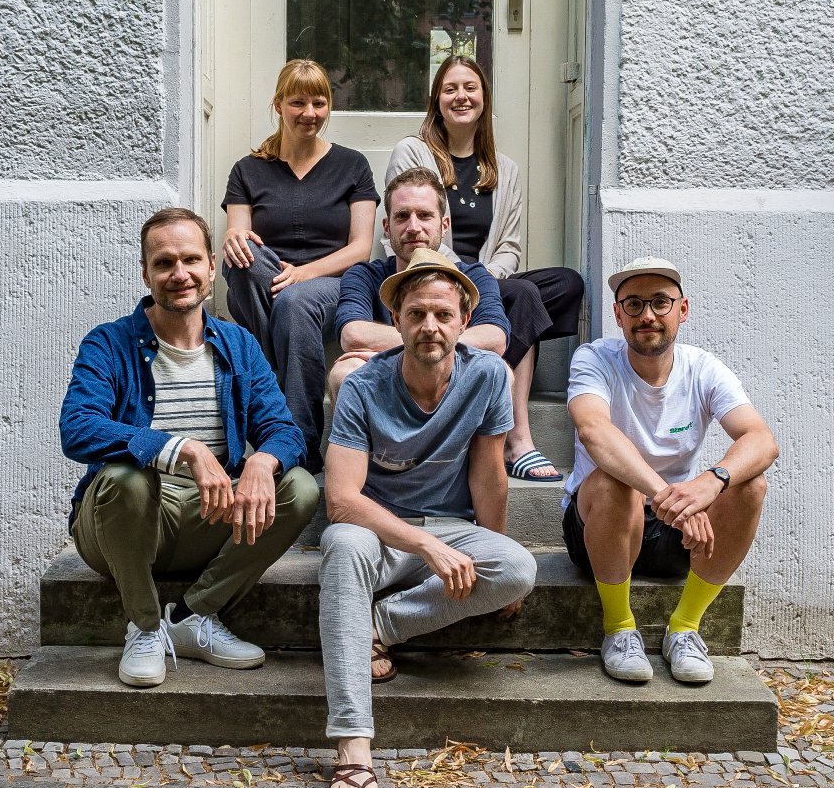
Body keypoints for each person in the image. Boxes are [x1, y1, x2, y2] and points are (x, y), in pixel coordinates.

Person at [60, 207, 319, 688]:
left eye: (190, 260)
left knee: (300, 488)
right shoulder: (109, 344)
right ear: (146, 273)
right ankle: (143, 626)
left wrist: (264, 458)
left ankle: (194, 617)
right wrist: (183, 449)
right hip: (126, 524)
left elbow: (285, 429)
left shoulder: (238, 344)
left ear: (212, 266)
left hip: (211, 517)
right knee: (123, 477)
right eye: (164, 263)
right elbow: (77, 428)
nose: (179, 274)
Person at [318, 244, 537, 788]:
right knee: (341, 544)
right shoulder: (363, 385)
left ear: (465, 320)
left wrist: (494, 546)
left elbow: (490, 475)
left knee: (518, 567)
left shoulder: (487, 373)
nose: (430, 327)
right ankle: (353, 743)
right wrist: (425, 545)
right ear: (396, 321)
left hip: (451, 524)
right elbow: (342, 500)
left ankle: (380, 626)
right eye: (416, 314)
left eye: (443, 314)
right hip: (378, 531)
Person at [563, 257, 778, 683]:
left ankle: (684, 628)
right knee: (614, 480)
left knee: (749, 485)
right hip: (598, 527)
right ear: (618, 314)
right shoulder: (594, 358)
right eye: (634, 304)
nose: (648, 316)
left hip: (674, 533)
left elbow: (761, 439)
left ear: (682, 310)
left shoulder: (704, 369)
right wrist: (672, 497)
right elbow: (593, 430)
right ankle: (619, 629)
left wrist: (709, 484)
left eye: (660, 303)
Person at [385, 54, 584, 482]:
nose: (461, 96)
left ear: (483, 98)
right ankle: (518, 439)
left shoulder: (503, 169)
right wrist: (468, 278)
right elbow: (412, 232)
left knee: (566, 284)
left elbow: (510, 246)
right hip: (435, 277)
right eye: (451, 88)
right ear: (436, 100)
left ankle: (473, 370)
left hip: (489, 278)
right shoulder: (413, 152)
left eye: (470, 88)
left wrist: (488, 278)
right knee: (525, 300)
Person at [221, 59, 380, 473]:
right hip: (268, 279)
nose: (310, 113)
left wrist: (304, 273)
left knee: (295, 301)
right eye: (298, 102)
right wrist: (234, 238)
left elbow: (361, 248)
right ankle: (276, 370)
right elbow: (239, 237)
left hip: (333, 282)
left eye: (319, 102)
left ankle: (301, 444)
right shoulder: (247, 170)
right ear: (278, 105)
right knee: (241, 259)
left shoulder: (352, 165)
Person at [328, 166, 510, 405]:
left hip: (453, 379)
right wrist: (435, 346)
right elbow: (353, 335)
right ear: (386, 226)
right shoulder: (364, 275)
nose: (413, 227)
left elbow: (494, 338)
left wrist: (404, 348)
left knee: (503, 371)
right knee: (344, 372)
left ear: (444, 226)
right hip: (387, 381)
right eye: (402, 216)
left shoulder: (473, 275)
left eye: (424, 215)